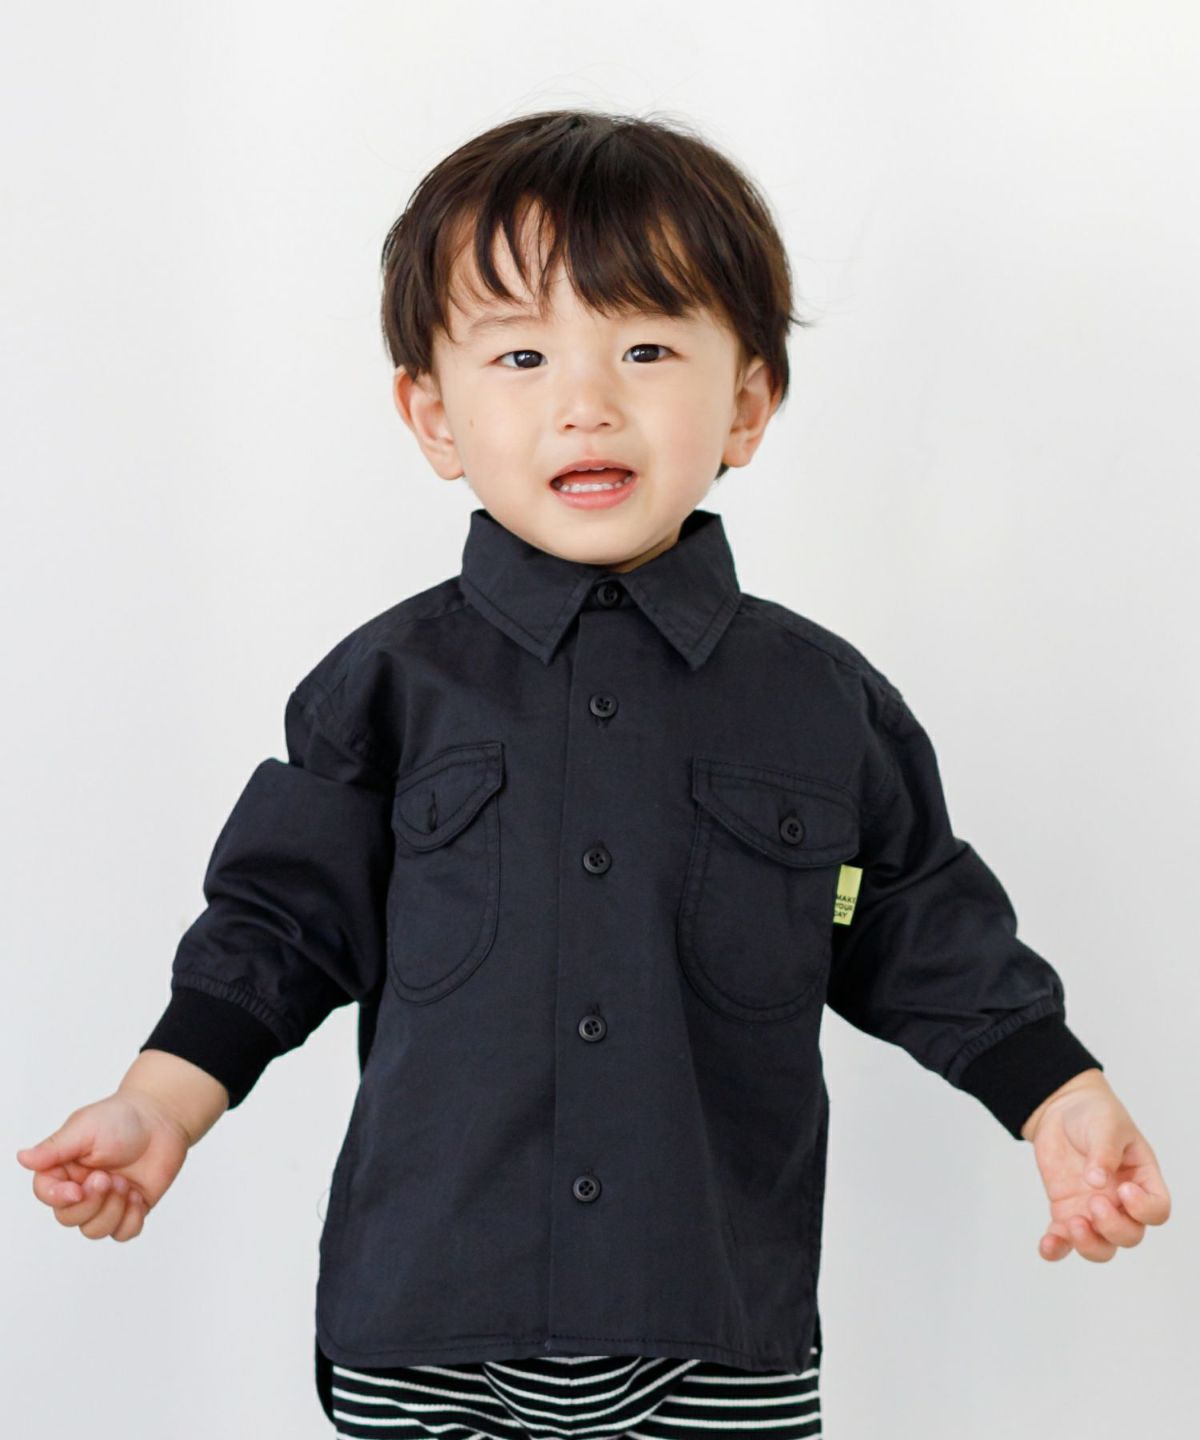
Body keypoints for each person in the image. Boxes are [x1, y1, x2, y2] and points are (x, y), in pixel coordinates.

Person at [16, 109, 1171, 1437]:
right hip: (432, 1312)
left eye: (646, 348)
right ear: (432, 414)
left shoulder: (822, 703)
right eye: (521, 354)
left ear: (747, 402)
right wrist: (161, 1103)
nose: (586, 401)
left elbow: (913, 917)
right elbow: (280, 924)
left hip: (713, 1319)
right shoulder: (386, 685)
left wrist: (1057, 1091)